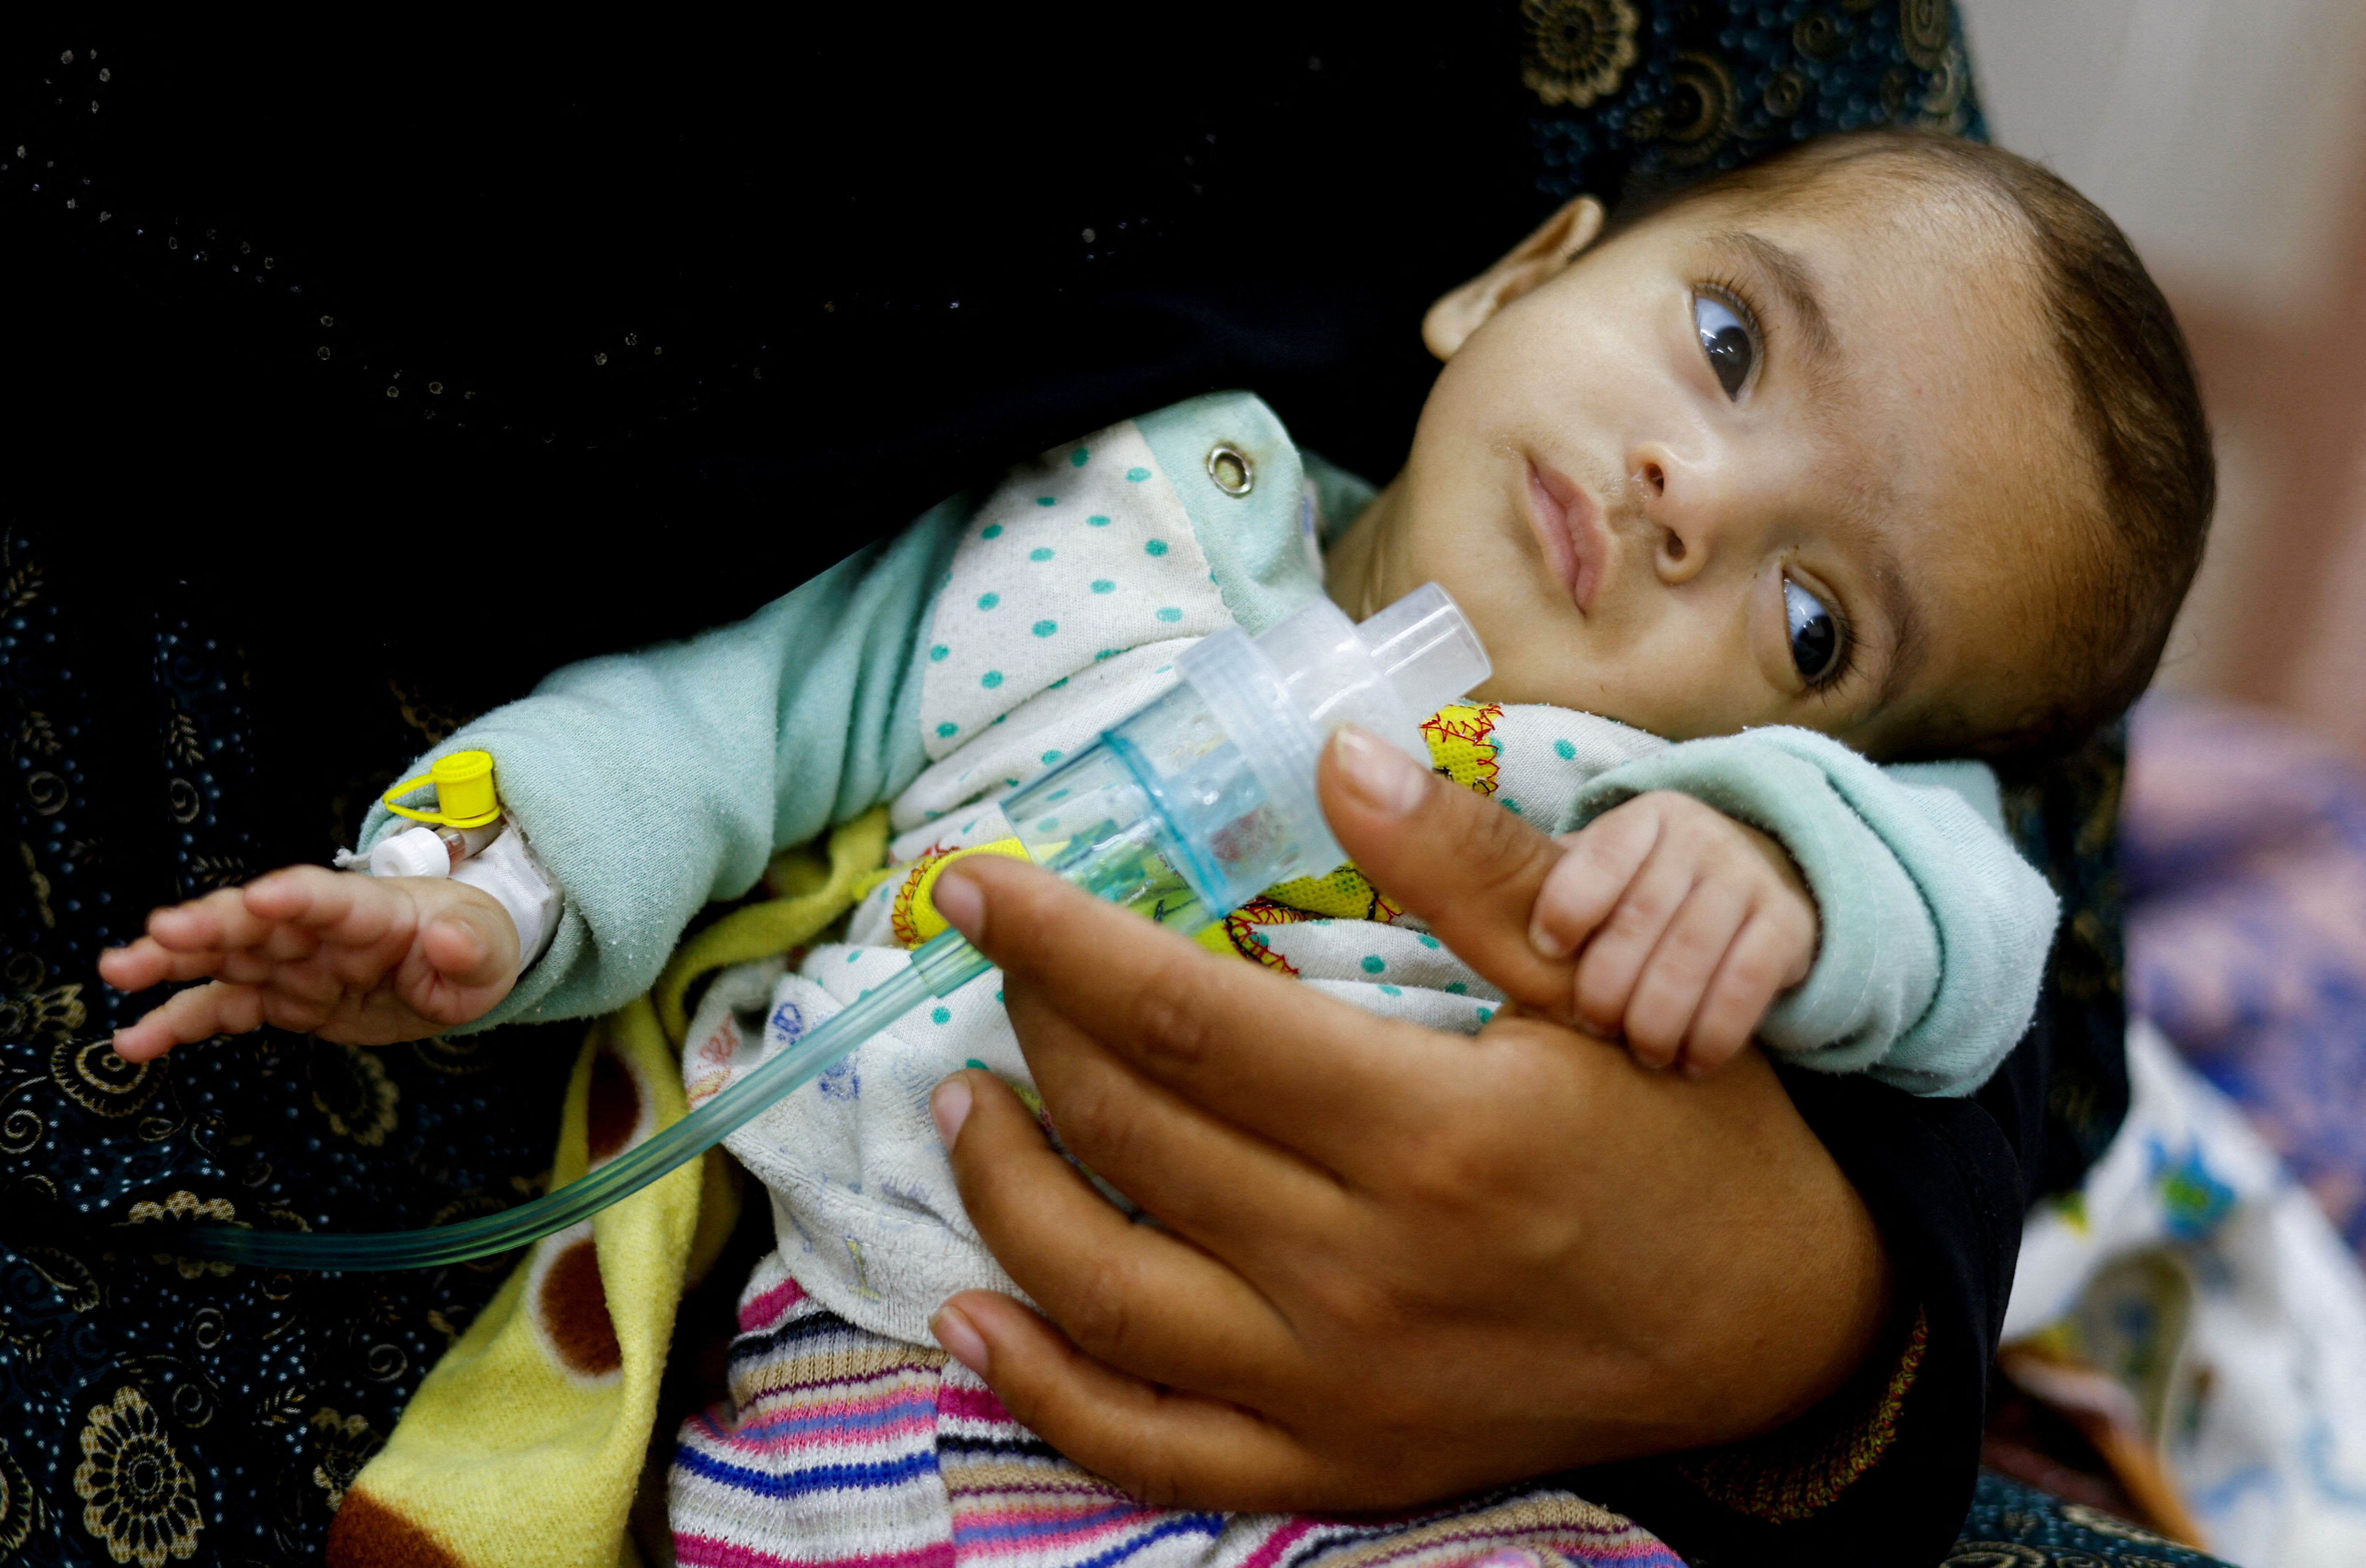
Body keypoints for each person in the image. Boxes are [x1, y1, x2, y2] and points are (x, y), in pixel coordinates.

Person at [99, 129, 2213, 1562]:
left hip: (1422, 1482)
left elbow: (1982, 925)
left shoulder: (1664, 810)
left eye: (1815, 619)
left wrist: (1780, 871)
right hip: (884, 1361)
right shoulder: (1106, 521)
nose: (1693, 498)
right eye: (1728, 346)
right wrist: (483, 893)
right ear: (1514, 275)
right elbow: (738, 717)